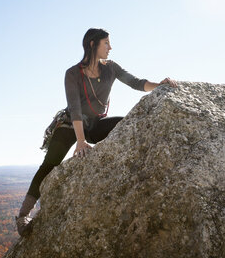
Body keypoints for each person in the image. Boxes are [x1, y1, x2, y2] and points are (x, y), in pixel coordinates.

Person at [16, 28, 178, 236]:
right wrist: (81, 141)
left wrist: (159, 85)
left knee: (125, 124)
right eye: (106, 43)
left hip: (96, 124)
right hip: (70, 125)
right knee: (51, 162)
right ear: (93, 45)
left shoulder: (111, 68)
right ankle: (23, 215)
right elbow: (74, 108)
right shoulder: (73, 73)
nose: (110, 47)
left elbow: (136, 83)